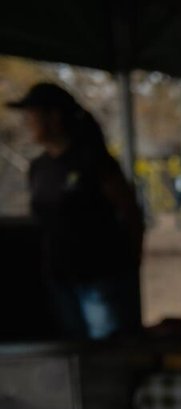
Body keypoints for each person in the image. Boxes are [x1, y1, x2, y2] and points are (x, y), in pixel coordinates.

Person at [8, 83, 144, 340]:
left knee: (108, 348)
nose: (26, 122)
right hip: (60, 278)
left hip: (101, 277)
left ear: (54, 116)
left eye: (31, 115)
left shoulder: (93, 161)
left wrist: (132, 260)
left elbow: (130, 212)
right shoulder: (39, 168)